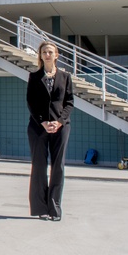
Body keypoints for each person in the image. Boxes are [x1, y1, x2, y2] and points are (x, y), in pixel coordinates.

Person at [26, 41, 74, 221]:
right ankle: (40, 208)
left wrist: (59, 122)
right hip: (38, 127)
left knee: (58, 167)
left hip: (61, 128)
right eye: (44, 52)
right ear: (40, 55)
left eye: (50, 52)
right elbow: (31, 102)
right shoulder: (34, 76)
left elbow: (69, 102)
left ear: (56, 55)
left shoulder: (65, 77)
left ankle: (54, 209)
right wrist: (43, 122)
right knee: (39, 166)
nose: (47, 54)